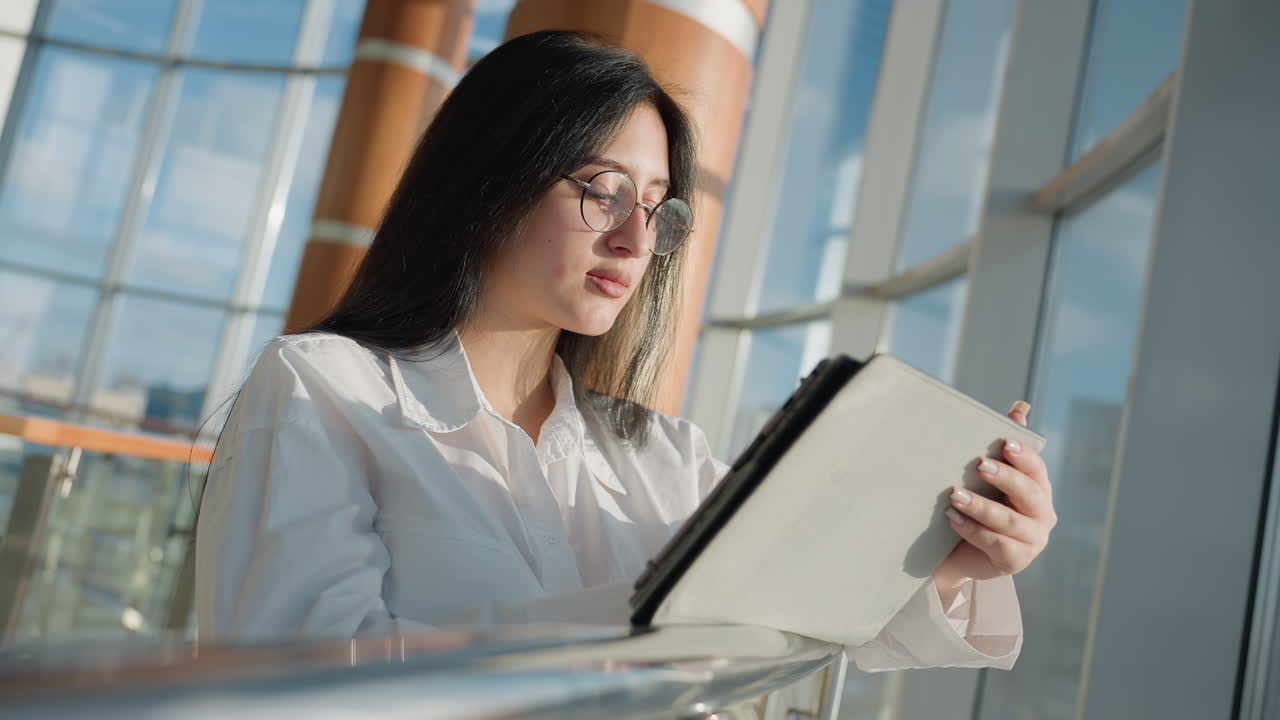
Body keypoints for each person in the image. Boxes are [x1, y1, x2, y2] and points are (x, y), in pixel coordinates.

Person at [195, 31, 1056, 671]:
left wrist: (956, 557)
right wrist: (657, 614)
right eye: (602, 192)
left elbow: (814, 616)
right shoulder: (324, 390)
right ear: (490, 178)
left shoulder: (664, 458)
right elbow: (304, 679)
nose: (637, 239)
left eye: (657, 205)